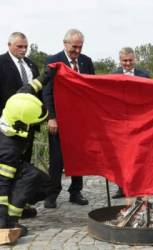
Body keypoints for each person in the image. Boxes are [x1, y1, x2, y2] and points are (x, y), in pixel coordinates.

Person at [43, 29, 95, 208]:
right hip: (58, 119)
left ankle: (76, 191)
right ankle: (52, 194)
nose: (78, 51)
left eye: (80, 47)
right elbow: (47, 90)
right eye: (74, 47)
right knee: (56, 159)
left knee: (78, 156)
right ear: (65, 44)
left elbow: (91, 89)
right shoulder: (53, 61)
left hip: (80, 120)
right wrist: (52, 117)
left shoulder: (86, 61)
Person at [0, 80, 48, 241]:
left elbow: (26, 90)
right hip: (2, 178)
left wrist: (44, 78)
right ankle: (10, 220)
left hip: (9, 166)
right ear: (21, 124)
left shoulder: (15, 106)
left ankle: (21, 207)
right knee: (28, 178)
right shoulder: (9, 148)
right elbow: (2, 184)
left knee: (42, 181)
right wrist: (1, 216)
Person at [0, 32, 40, 219]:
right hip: (7, 127)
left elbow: (38, 92)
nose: (24, 50)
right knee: (7, 169)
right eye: (19, 47)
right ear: (9, 45)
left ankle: (19, 204)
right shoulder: (1, 63)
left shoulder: (31, 65)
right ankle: (4, 210)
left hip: (28, 126)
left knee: (25, 165)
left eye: (26, 46)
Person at [112, 47, 150, 199]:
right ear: (120, 60)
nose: (127, 63)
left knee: (139, 155)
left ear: (135, 59)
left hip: (140, 121)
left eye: (130, 60)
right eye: (124, 61)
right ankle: (121, 187)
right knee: (121, 156)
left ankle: (139, 186)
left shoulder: (145, 75)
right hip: (120, 122)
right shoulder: (113, 76)